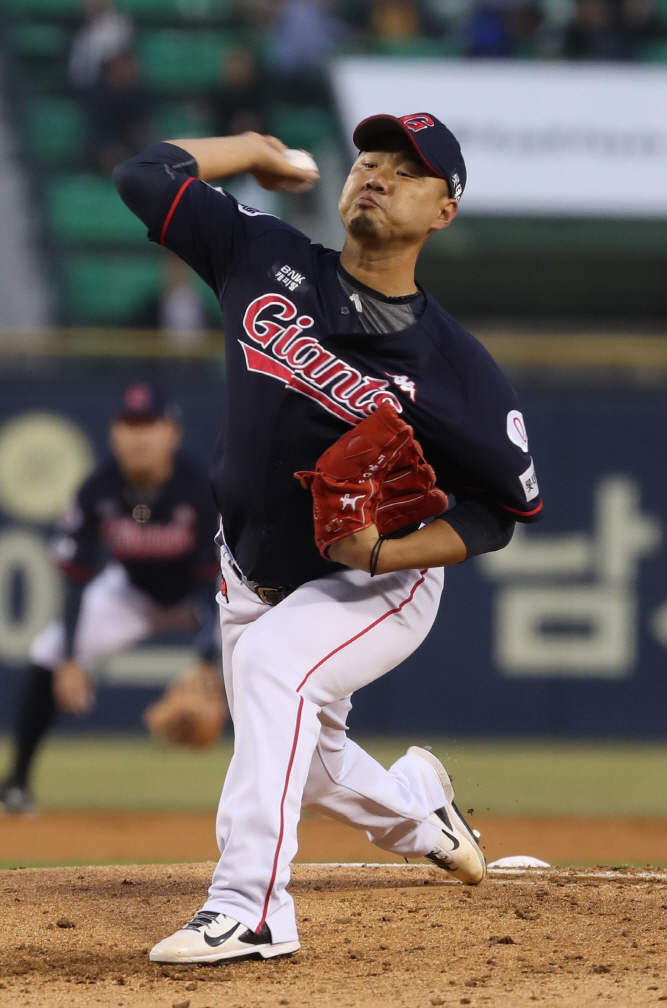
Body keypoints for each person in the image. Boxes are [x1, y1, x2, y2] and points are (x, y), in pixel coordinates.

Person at [113, 111, 543, 964]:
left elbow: (504, 508)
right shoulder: (262, 255)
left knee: (277, 674)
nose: (376, 174)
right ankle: (423, 811)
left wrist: (387, 554)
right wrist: (259, 155)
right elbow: (144, 175)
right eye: (368, 160)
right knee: (305, 755)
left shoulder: (457, 369)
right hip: (251, 567)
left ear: (444, 211)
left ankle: (252, 907)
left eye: (406, 170)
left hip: (378, 581)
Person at [0, 383, 223, 815]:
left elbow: (213, 586)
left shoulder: (199, 488)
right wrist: (68, 660)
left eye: (150, 424)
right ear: (113, 433)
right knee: (46, 651)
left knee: (262, 656)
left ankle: (287, 790)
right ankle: (16, 784)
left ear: (173, 432)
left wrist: (208, 663)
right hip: (132, 592)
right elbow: (77, 579)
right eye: (128, 424)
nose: (139, 436)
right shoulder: (96, 489)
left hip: (201, 597)